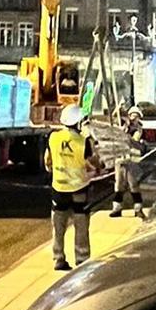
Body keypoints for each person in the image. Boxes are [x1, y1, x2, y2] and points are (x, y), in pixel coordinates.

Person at [47, 102, 97, 271]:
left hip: (58, 188)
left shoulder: (53, 138)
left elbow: (48, 161)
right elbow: (94, 163)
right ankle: (82, 259)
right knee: (81, 222)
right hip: (79, 189)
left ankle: (58, 258)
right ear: (79, 122)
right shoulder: (84, 142)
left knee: (58, 224)